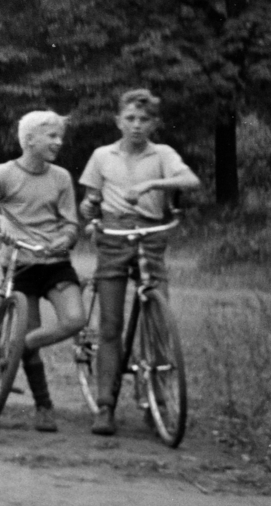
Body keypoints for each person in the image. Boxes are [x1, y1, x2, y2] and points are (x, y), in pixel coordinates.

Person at [77, 89, 200, 436]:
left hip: (151, 235)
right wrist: (89, 209)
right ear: (118, 121)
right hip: (114, 236)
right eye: (130, 118)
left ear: (154, 124)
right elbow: (91, 199)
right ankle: (105, 405)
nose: (136, 125)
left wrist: (152, 184)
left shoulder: (162, 154)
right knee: (111, 325)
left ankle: (157, 401)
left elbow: (190, 180)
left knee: (159, 321)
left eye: (144, 119)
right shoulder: (103, 155)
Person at [0, 109, 84, 433]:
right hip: (20, 264)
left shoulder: (61, 177)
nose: (58, 142)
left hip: (55, 261)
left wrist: (64, 238)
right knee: (29, 323)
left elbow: (71, 223)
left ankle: (16, 348)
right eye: (51, 136)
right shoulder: (5, 173)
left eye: (60, 136)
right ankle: (44, 406)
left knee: (75, 320)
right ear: (29, 140)